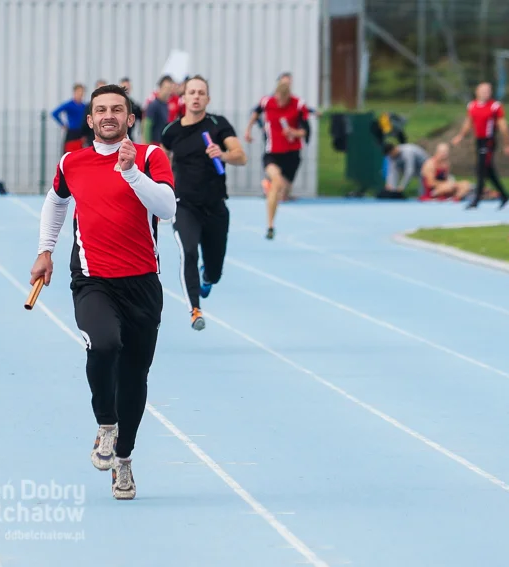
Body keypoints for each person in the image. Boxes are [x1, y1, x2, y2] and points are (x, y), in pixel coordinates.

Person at [29, 84, 177, 500]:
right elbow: (56, 202)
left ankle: (124, 459)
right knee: (105, 344)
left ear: (130, 118)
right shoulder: (72, 161)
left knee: (134, 377)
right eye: (101, 110)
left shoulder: (150, 157)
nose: (109, 115)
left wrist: (131, 173)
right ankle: (106, 423)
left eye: (117, 109)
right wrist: (46, 250)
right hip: (92, 280)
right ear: (90, 119)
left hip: (143, 283)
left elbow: (168, 208)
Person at [160, 75, 247, 331]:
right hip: (184, 205)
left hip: (215, 206)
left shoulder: (219, 126)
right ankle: (194, 309)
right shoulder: (171, 132)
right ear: (184, 98)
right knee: (188, 251)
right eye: (192, 92)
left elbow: (241, 156)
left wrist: (224, 154)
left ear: (207, 99)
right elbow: (160, 162)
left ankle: (207, 276)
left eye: (201, 92)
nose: (196, 96)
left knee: (214, 271)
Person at [244, 81, 310, 240]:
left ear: (288, 97)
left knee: (284, 191)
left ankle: (272, 187)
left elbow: (305, 131)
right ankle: (270, 225)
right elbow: (255, 113)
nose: (279, 104)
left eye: (283, 101)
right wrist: (248, 129)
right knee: (277, 181)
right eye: (278, 100)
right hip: (272, 153)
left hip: (292, 154)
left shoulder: (298, 105)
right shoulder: (267, 102)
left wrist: (294, 132)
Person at [451, 81, 509, 209]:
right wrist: (460, 136)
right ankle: (505, 196)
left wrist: (507, 143)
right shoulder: (472, 106)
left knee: (480, 169)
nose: (486, 93)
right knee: (488, 171)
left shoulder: (495, 106)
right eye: (483, 90)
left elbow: (503, 125)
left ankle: (476, 200)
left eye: (488, 91)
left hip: (488, 140)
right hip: (479, 141)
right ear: (477, 92)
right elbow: (469, 122)